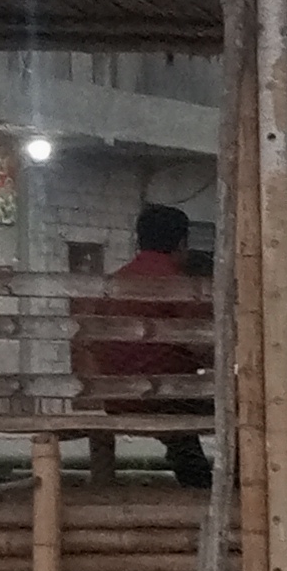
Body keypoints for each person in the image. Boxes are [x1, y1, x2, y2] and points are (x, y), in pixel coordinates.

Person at [80, 202, 212, 490]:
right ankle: (233, 483)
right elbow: (203, 347)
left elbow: (93, 343)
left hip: (116, 399)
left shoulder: (114, 283)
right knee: (242, 405)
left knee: (181, 421)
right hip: (171, 399)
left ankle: (197, 480)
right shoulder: (179, 285)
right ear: (182, 243)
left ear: (139, 240)